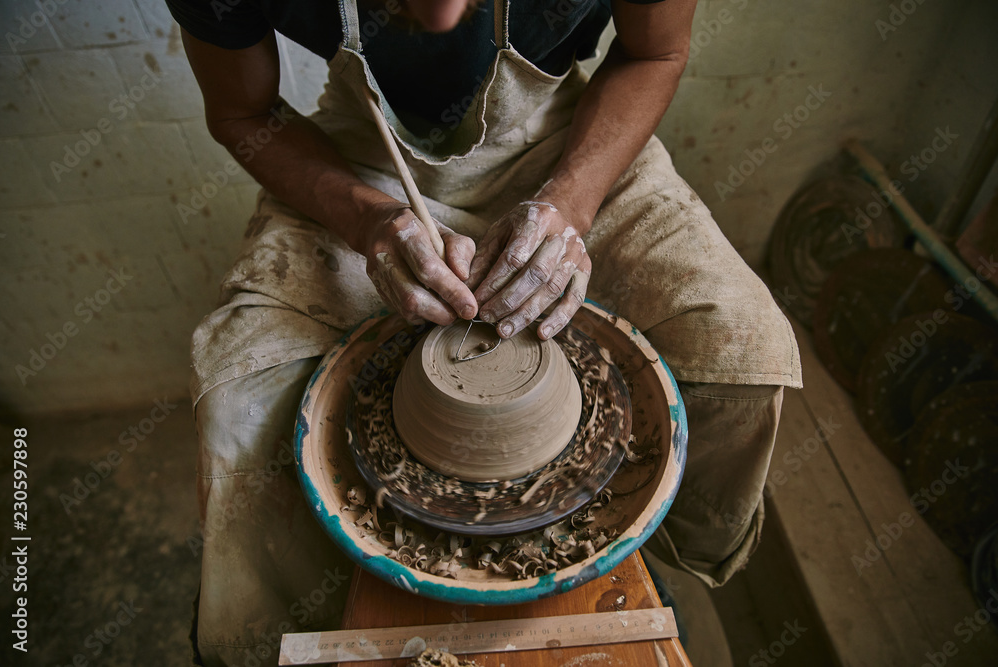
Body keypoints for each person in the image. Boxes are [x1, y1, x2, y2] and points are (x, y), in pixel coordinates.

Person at [166, 0, 802, 664]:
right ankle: (310, 632)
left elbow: (656, 53)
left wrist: (570, 201)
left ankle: (650, 546)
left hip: (565, 138)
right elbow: (242, 111)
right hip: (363, 159)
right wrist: (367, 221)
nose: (438, 14)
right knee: (241, 406)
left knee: (741, 345)